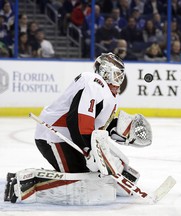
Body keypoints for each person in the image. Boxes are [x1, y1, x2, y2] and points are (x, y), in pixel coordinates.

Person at [4, 52, 152, 205]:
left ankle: (118, 179)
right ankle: (26, 183)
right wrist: (87, 148)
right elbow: (76, 120)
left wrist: (122, 132)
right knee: (82, 181)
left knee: (94, 175)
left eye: (121, 75)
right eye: (117, 74)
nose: (120, 79)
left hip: (72, 137)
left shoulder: (111, 94)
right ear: (105, 72)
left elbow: (98, 126)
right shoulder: (94, 82)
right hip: (54, 135)